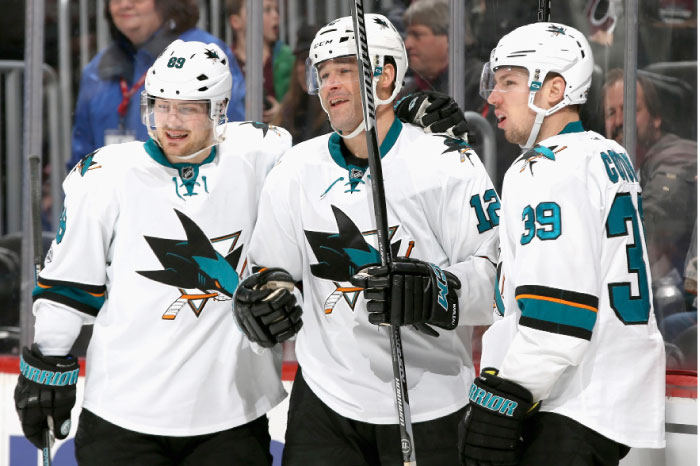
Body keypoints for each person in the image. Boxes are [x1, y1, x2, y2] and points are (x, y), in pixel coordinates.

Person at [233, 14, 499, 466]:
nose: (331, 85)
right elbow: (272, 272)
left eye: (345, 70)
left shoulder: (446, 161)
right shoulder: (296, 169)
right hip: (325, 402)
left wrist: (435, 292)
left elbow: (496, 282)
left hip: (429, 401)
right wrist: (264, 300)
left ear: (386, 74)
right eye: (324, 74)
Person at [14, 39, 291, 465]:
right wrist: (47, 365)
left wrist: (405, 123)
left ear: (219, 109)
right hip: (122, 417)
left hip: (230, 414)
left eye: (188, 108)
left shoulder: (262, 154)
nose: (171, 122)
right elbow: (70, 283)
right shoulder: (105, 175)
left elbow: (339, 161)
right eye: (161, 105)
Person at [459, 22, 665, 466]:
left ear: (554, 89)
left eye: (509, 83)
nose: (493, 96)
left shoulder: (543, 170)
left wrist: (505, 393)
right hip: (605, 399)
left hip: (567, 399)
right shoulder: (608, 153)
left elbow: (559, 312)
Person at [68, 0, 245, 170]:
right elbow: (82, 154)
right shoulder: (97, 69)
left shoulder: (206, 54)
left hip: (189, 192)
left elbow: (230, 134)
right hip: (114, 195)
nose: (125, 4)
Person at [603, 68, 697, 287]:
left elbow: (652, 225)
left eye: (630, 110)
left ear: (656, 118)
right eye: (610, 113)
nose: (619, 121)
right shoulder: (616, 170)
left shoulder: (678, 155)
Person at [401, 0, 483, 113]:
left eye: (417, 35)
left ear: (450, 38)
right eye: (408, 35)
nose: (407, 44)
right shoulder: (406, 92)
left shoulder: (480, 84)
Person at [227, 0, 294, 123]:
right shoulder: (225, 63)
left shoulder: (287, 58)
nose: (276, 15)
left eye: (276, 10)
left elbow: (301, 107)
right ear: (236, 22)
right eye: (266, 10)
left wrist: (282, 111)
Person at [270, 24, 330, 144]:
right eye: (303, 60)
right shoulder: (288, 110)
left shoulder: (336, 112)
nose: (308, 68)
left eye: (315, 61)